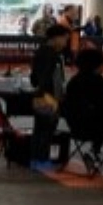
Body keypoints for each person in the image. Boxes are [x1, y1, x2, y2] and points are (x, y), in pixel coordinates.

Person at [28, 24, 70, 171]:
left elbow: (33, 78)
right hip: (48, 96)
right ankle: (42, 159)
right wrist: (53, 97)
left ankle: (35, 159)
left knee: (39, 129)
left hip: (40, 95)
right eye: (64, 39)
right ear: (56, 38)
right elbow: (48, 78)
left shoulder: (40, 52)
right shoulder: (51, 55)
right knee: (47, 130)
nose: (65, 43)